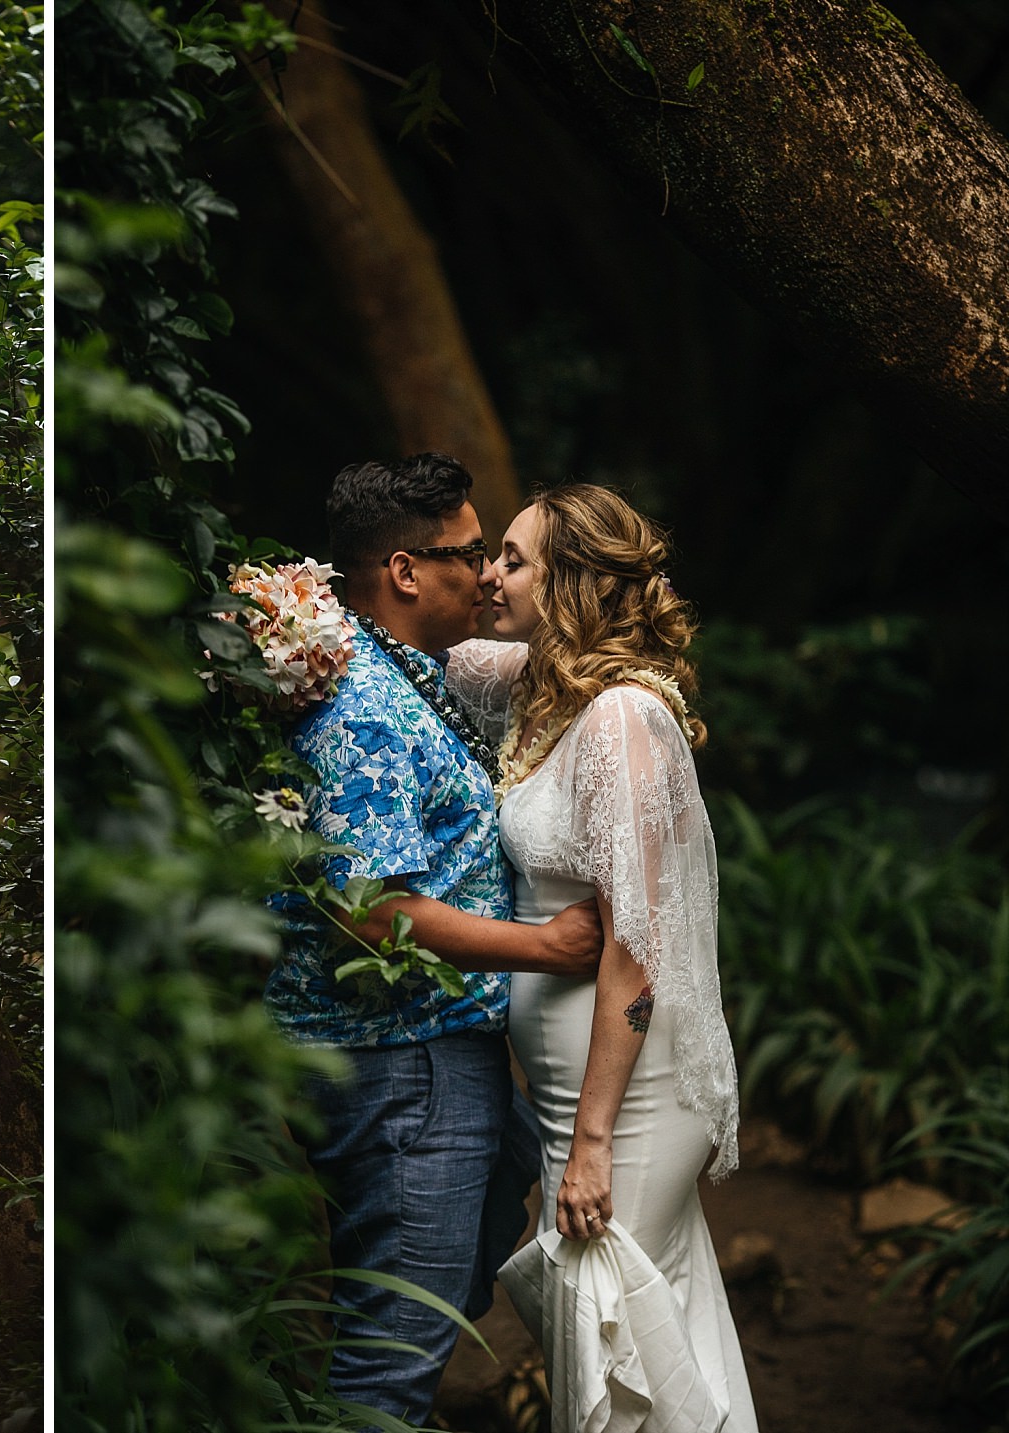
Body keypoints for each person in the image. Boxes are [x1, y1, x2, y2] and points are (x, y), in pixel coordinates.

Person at [267, 453, 605, 1423]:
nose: (489, 575)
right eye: (469, 554)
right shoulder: (361, 706)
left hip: (432, 1055)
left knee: (462, 1254)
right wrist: (545, 946)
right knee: (390, 1358)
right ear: (406, 571)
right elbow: (373, 909)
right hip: (402, 1058)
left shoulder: (394, 670)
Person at [451, 485, 758, 1431]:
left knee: (603, 1309)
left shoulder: (624, 721)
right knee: (645, 1310)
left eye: (509, 557)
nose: (486, 574)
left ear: (570, 582)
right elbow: (441, 650)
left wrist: (588, 1142)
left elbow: (636, 945)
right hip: (566, 1088)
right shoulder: (546, 686)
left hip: (626, 1093)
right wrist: (301, 629)